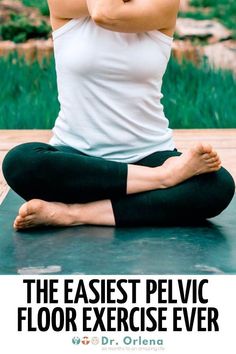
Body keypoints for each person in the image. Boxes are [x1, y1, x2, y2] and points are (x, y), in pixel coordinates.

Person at [2, 0, 235, 230]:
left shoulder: (162, 3)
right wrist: (164, 176)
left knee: (217, 186)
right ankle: (161, 180)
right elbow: (104, 11)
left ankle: (73, 213)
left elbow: (107, 12)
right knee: (21, 162)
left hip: (147, 152)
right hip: (76, 156)